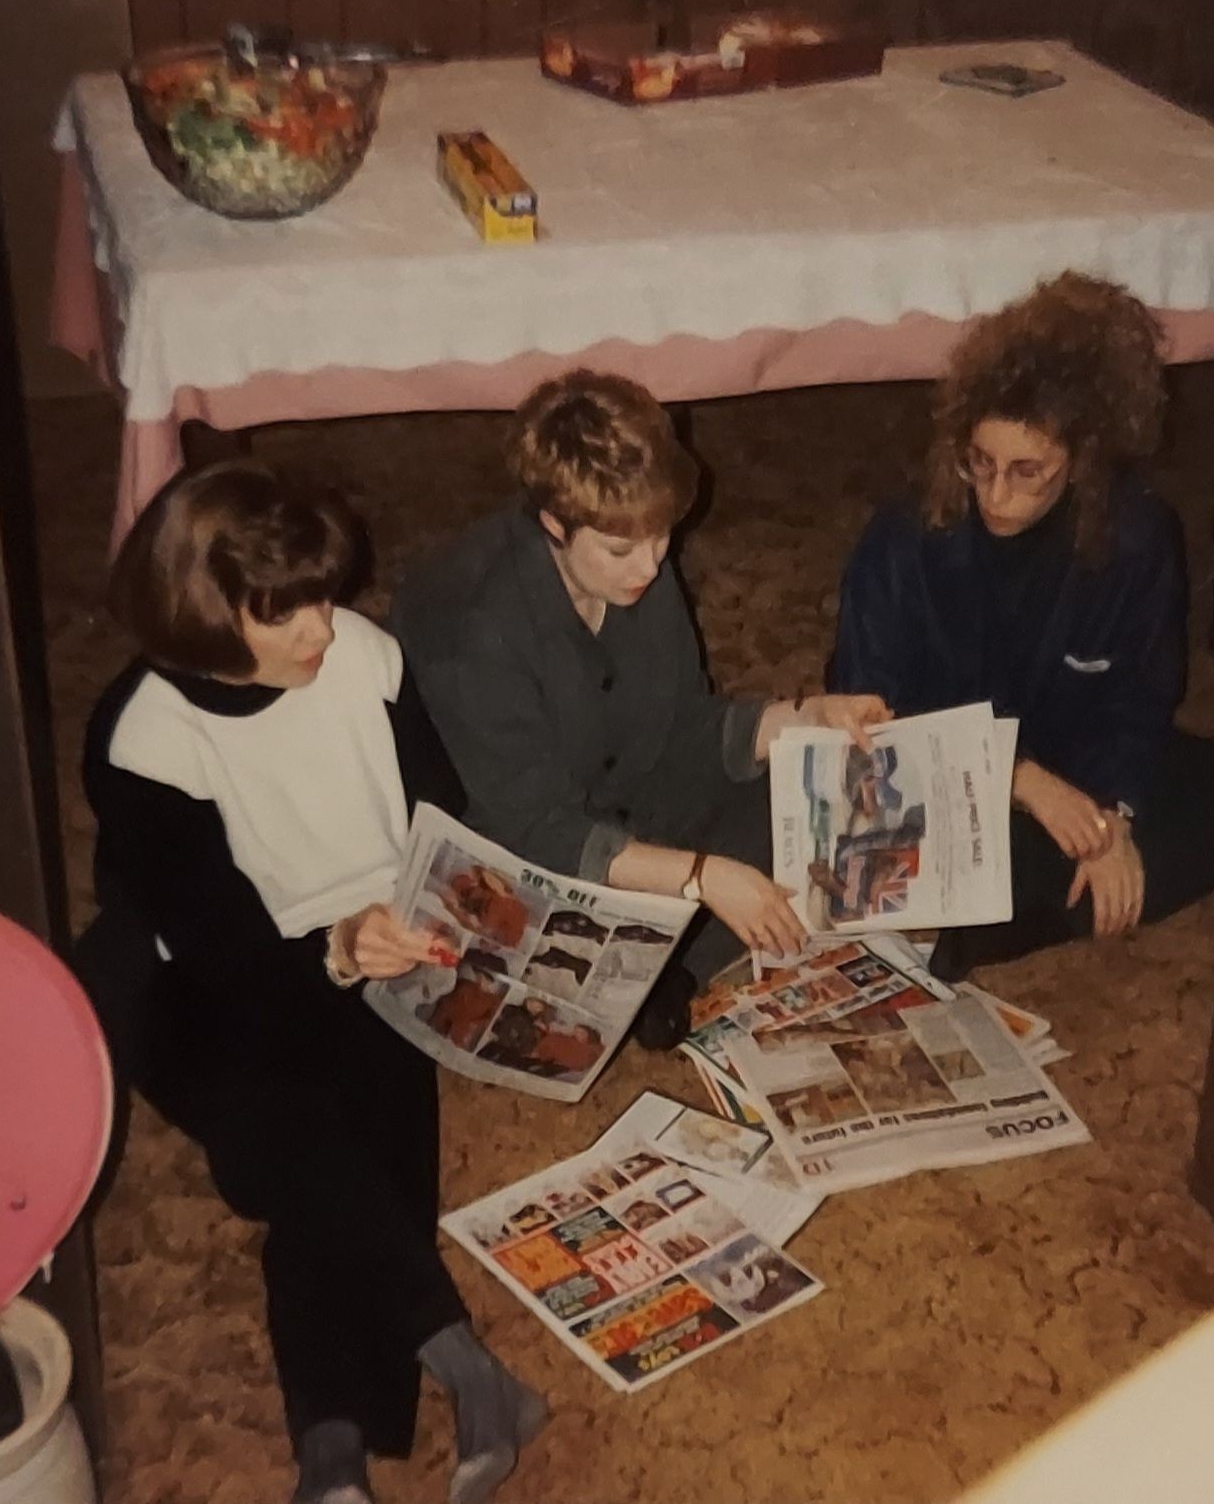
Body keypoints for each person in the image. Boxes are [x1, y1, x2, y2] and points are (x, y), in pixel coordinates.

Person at [82, 462, 546, 1504]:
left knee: (326, 1152)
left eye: (323, 598)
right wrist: (336, 950)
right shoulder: (142, 734)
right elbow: (222, 947)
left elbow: (439, 812)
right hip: (213, 974)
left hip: (374, 946)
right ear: (205, 612)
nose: (321, 630)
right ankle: (466, 1362)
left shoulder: (365, 658)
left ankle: (329, 1455)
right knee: (282, 1129)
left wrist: (452, 917)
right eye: (283, 612)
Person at [394, 370, 889, 1041]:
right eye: (622, 549)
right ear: (553, 524)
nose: (650, 567)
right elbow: (539, 827)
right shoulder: (475, 626)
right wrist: (701, 877)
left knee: (811, 785)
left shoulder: (636, 561)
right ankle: (669, 957)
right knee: (716, 878)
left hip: (636, 800)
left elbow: (688, 726)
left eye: (661, 538)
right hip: (531, 849)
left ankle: (668, 972)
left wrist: (808, 716)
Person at [829, 272, 1214, 975]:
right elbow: (867, 713)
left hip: (1072, 763)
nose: (996, 493)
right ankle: (992, 911)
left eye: (1029, 471)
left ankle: (996, 912)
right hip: (936, 774)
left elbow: (1139, 698)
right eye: (980, 462)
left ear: (1083, 463)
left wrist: (1110, 818)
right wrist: (1016, 780)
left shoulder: (1138, 537)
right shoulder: (902, 537)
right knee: (891, 854)